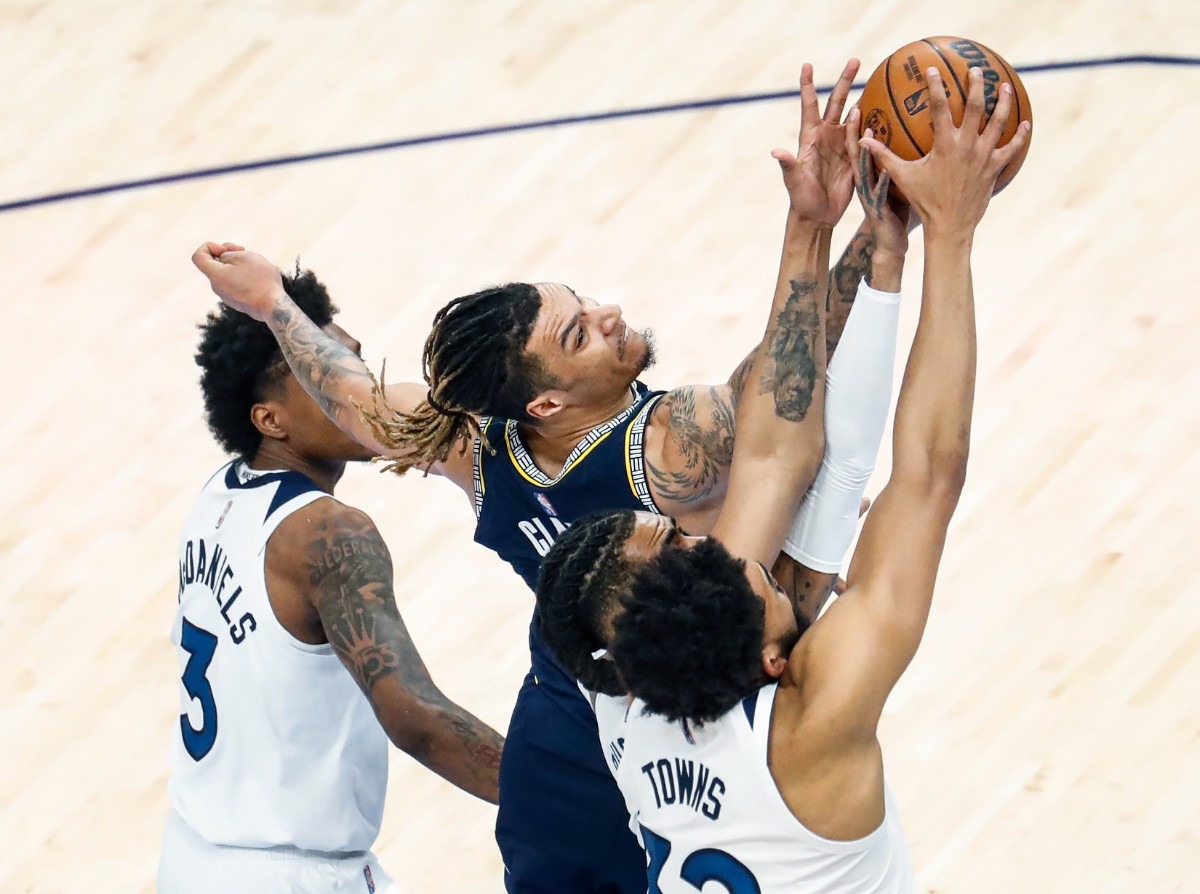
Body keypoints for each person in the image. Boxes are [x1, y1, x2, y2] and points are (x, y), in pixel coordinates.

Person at [189, 58, 907, 894]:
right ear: (545, 402)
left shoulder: (473, 446)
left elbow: (349, 400)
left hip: (563, 725)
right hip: (688, 726)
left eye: (582, 304)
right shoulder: (669, 446)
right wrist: (869, 223)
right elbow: (785, 377)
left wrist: (275, 302)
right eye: (578, 335)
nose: (606, 316)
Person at [537, 67, 1030, 892]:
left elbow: (784, 457)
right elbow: (927, 479)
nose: (722, 539)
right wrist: (953, 230)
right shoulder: (812, 723)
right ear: (772, 660)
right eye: (697, 547)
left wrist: (823, 230)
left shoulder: (625, 712)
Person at [159, 269, 505, 893]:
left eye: (350, 362)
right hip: (291, 875)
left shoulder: (219, 495)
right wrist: (569, 795)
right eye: (321, 375)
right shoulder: (330, 535)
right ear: (270, 419)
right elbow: (417, 718)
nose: (353, 387)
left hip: (193, 853)